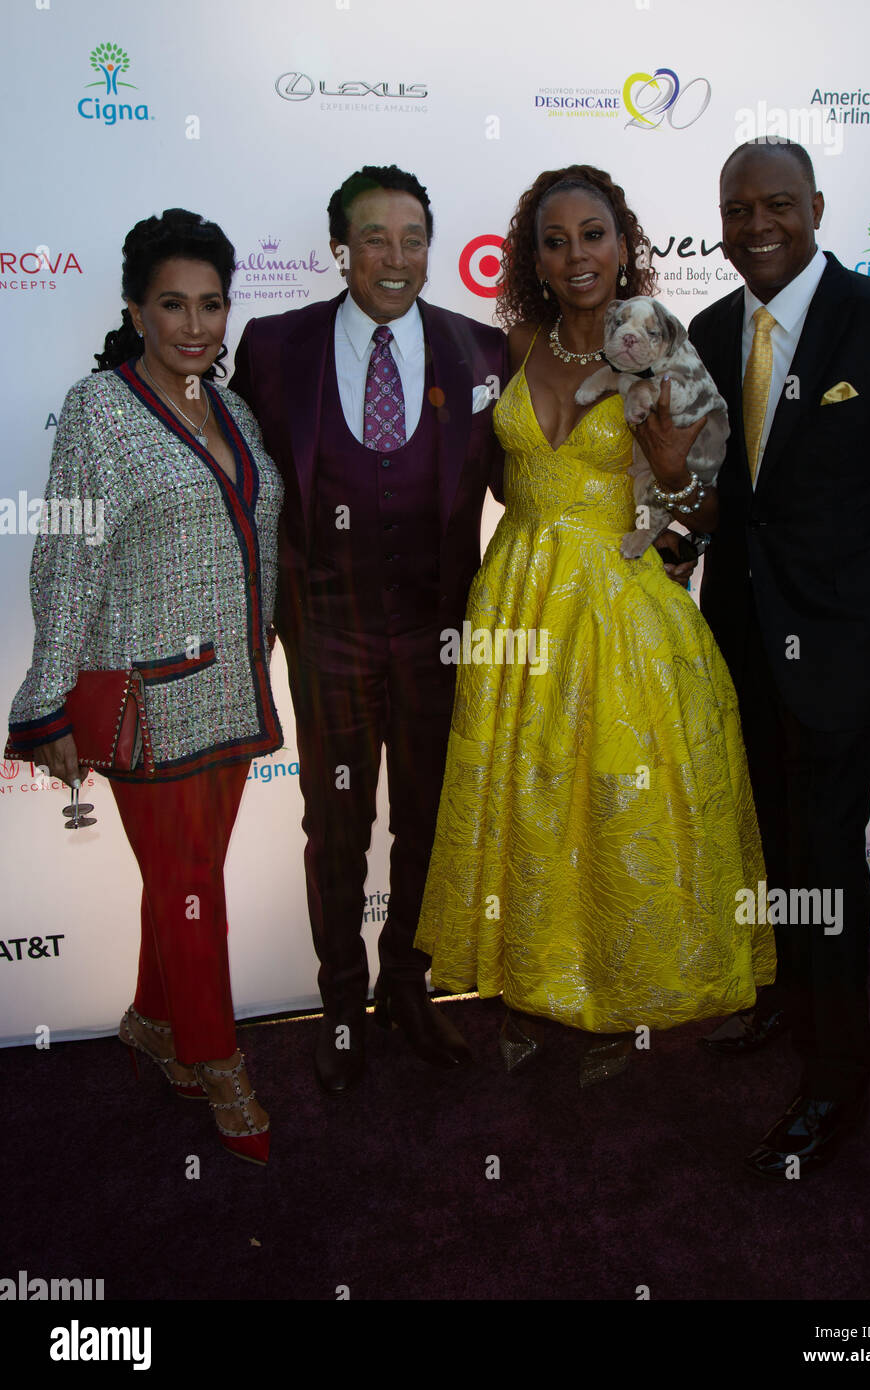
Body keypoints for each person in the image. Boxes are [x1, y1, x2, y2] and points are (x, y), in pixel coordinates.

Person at [414, 165, 775, 1086]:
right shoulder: (513, 347)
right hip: (517, 600)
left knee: (615, 809)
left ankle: (620, 1003)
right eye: (555, 239)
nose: (577, 255)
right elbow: (504, 478)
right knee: (525, 807)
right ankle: (534, 987)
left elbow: (710, 510)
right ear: (532, 257)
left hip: (620, 610)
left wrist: (670, 469)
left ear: (625, 243)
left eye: (594, 234)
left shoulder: (660, 346)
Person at [689, 138, 870, 1178]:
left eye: (776, 205)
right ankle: (783, 998)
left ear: (814, 206)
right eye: (737, 209)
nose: (756, 226)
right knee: (771, 844)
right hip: (740, 641)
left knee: (823, 856)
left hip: (850, 647)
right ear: (718, 220)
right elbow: (720, 497)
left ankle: (835, 1077)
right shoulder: (710, 331)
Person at [6, 209, 283, 1166]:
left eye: (212, 304)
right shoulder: (98, 409)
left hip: (233, 693)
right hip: (149, 697)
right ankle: (219, 1060)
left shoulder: (234, 407)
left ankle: (154, 1022)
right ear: (135, 308)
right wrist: (45, 702)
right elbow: (67, 563)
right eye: (174, 304)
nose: (197, 325)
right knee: (191, 885)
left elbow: (264, 539)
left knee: (182, 884)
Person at [231, 165, 508, 1093]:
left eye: (414, 238)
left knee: (427, 820)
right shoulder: (273, 347)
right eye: (375, 239)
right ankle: (341, 1003)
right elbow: (234, 483)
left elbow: (534, 483)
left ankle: (407, 987)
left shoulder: (485, 351)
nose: (397, 259)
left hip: (438, 635)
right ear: (340, 247)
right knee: (335, 826)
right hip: (329, 634)